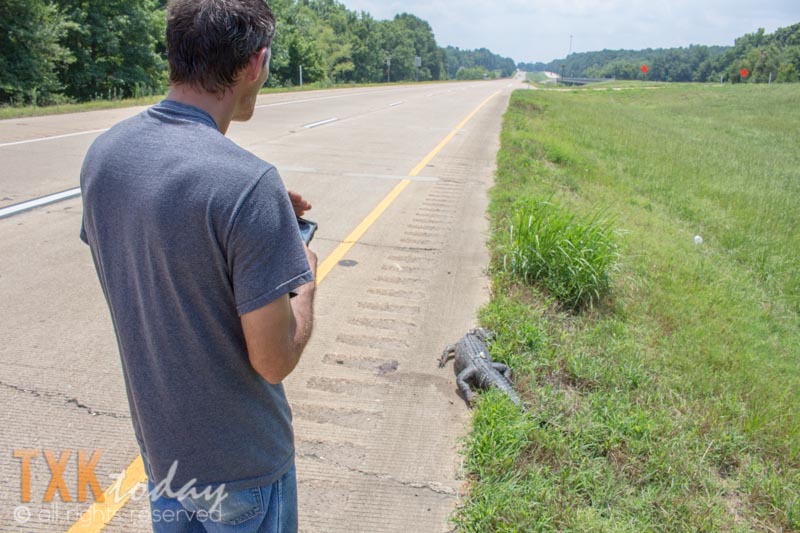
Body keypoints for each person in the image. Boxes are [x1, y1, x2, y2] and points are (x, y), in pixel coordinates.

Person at [79, 1, 315, 531]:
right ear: (255, 64)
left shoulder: (104, 156)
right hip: (244, 469)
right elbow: (274, 360)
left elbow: (156, 267)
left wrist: (262, 219)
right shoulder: (247, 184)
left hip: (166, 460)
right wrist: (304, 276)